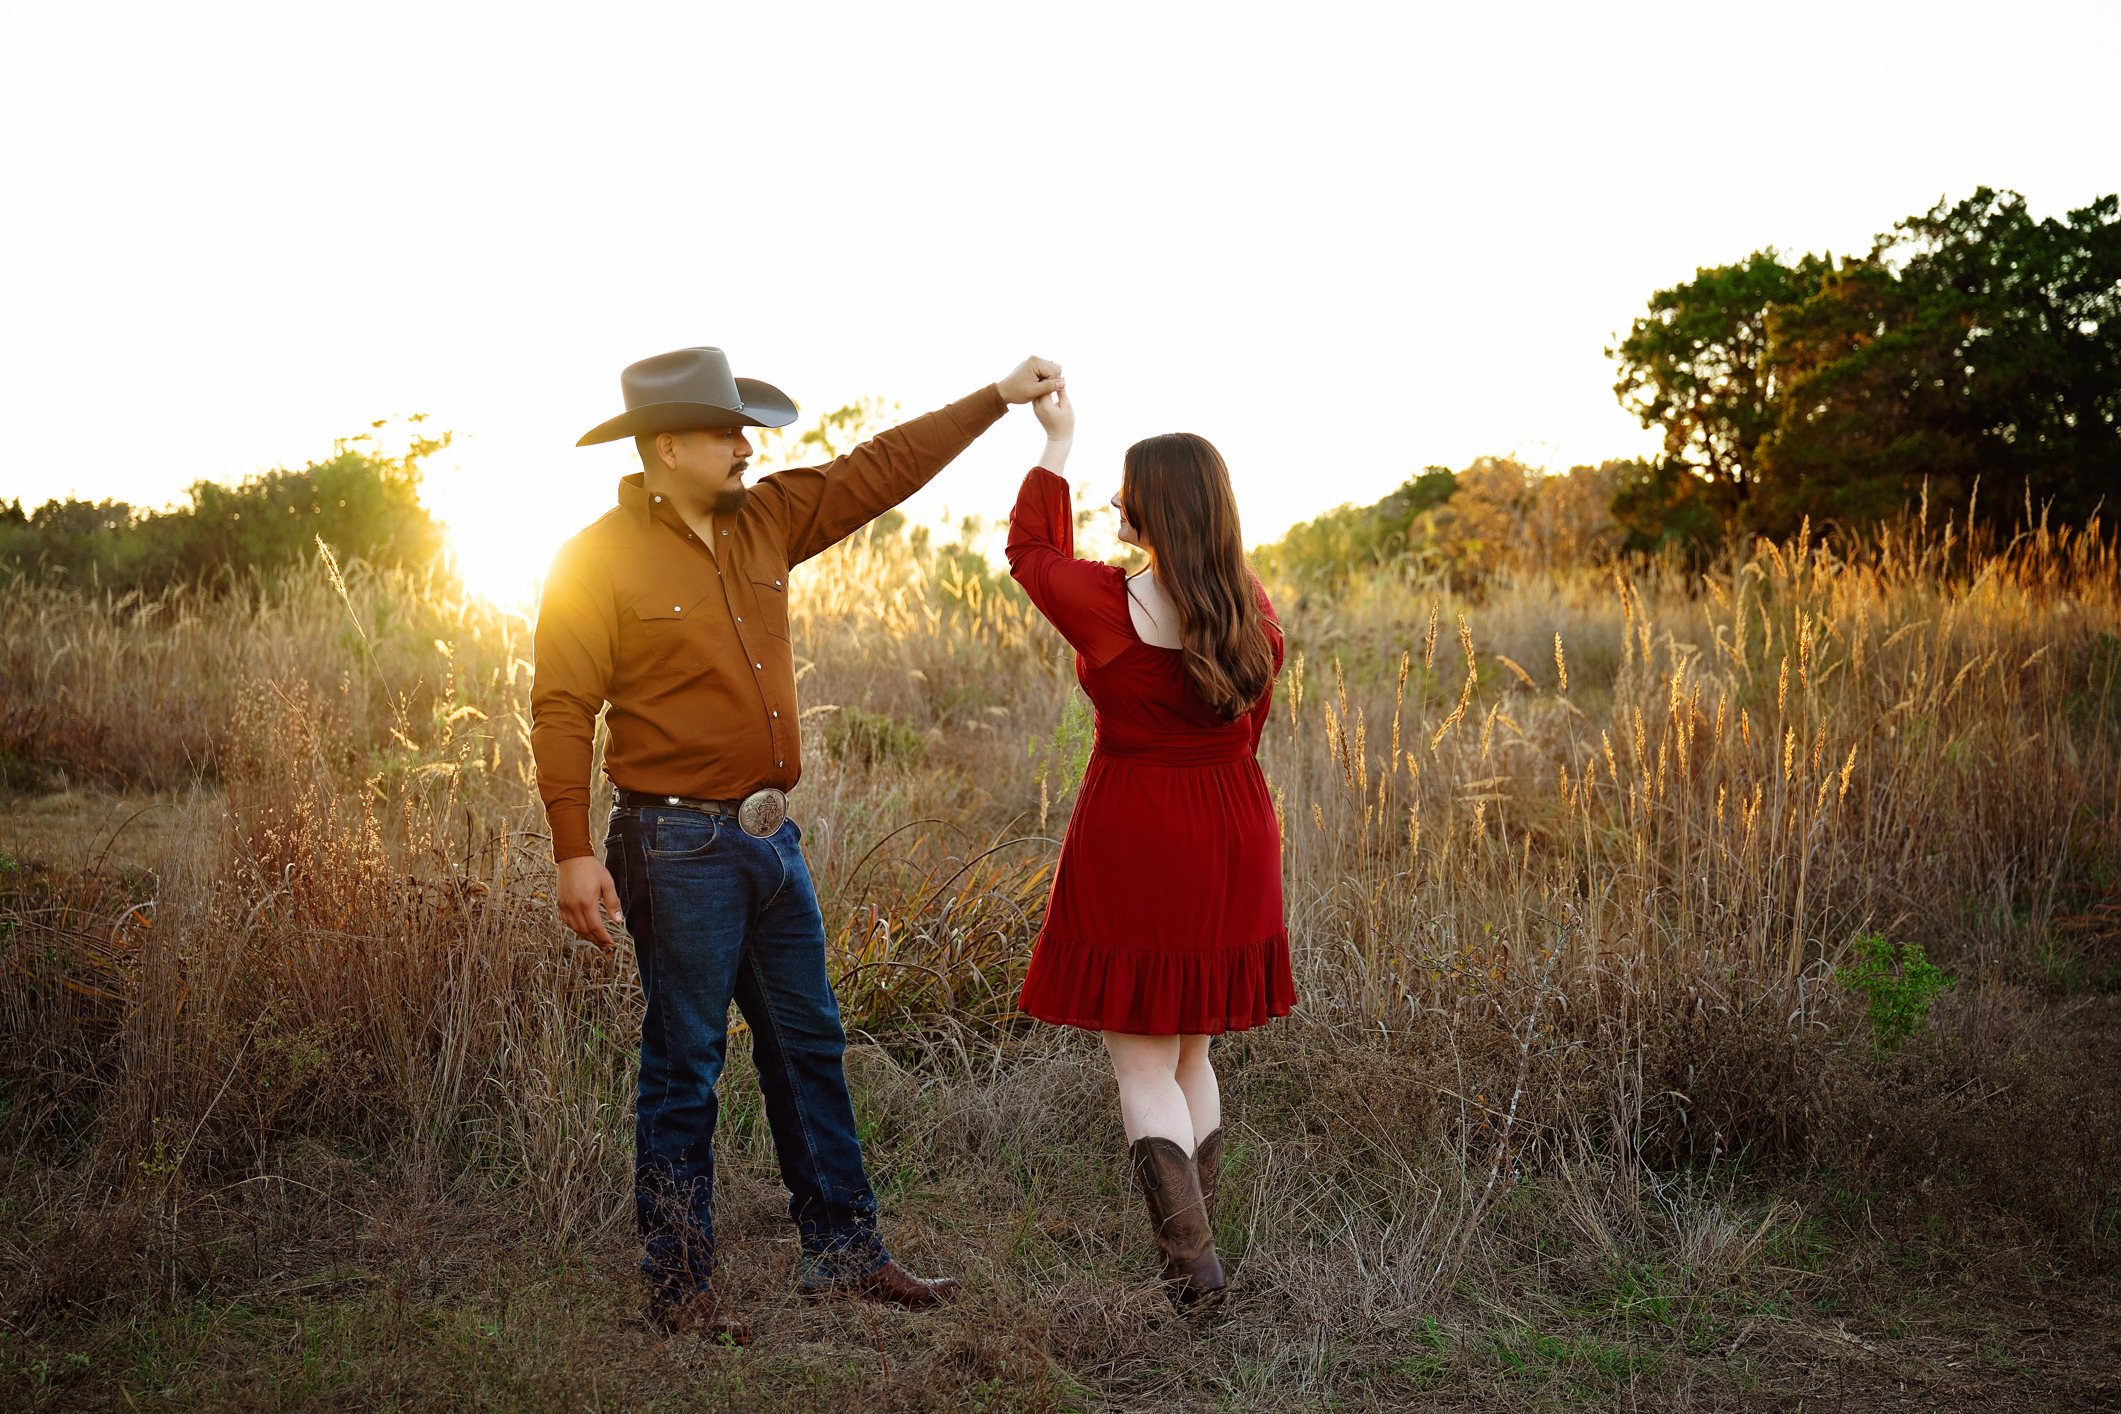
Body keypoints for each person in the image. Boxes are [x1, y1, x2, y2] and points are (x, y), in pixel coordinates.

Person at [533, 345, 1064, 1342]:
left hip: (775, 842)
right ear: (667, 445)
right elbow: (561, 707)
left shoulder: (770, 516)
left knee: (808, 1044)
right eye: (727, 430)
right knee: (685, 1063)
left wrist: (997, 398)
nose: (746, 445)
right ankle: (681, 1286)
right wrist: (572, 847)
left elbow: (882, 466)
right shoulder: (594, 559)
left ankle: (845, 1252)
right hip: (673, 840)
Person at [1004, 387, 1295, 1307]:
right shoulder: (1250, 611)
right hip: (1233, 832)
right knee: (1188, 1058)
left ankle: (1192, 1274)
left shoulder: (1104, 602)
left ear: (1144, 508)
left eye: (1126, 491)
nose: (1115, 504)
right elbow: (1244, 730)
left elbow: (1028, 552)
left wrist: (1057, 440)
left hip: (1138, 829)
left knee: (1139, 1064)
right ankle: (1195, 1266)